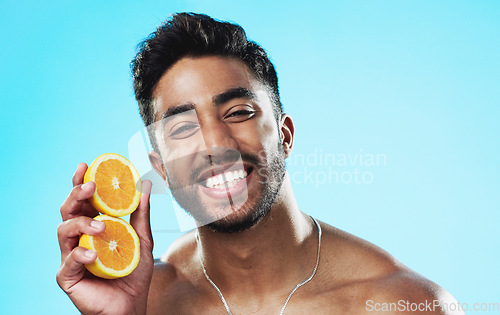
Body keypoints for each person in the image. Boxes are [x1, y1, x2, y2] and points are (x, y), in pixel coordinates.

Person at [57, 13, 463, 314]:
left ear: (284, 135)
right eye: (182, 129)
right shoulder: (148, 300)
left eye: (237, 112)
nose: (216, 144)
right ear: (160, 167)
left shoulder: (400, 304)